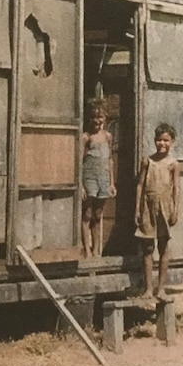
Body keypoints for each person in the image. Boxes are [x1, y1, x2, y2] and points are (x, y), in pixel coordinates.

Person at [134, 123, 180, 300]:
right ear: (154, 141)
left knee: (163, 246)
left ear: (172, 142)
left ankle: (161, 288)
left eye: (166, 140)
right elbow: (140, 185)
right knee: (148, 248)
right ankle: (148, 288)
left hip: (164, 208)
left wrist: (175, 210)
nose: (162, 143)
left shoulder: (173, 164)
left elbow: (176, 188)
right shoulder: (148, 161)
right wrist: (137, 209)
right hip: (147, 206)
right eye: (159, 140)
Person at [80, 101, 116, 258]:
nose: (97, 121)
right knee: (87, 213)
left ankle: (96, 250)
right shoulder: (85, 137)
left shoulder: (108, 136)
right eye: (94, 117)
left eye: (100, 117)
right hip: (89, 176)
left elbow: (109, 160)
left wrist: (112, 182)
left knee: (98, 213)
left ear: (105, 118)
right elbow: (79, 161)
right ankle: (86, 250)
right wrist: (80, 185)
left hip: (103, 177)